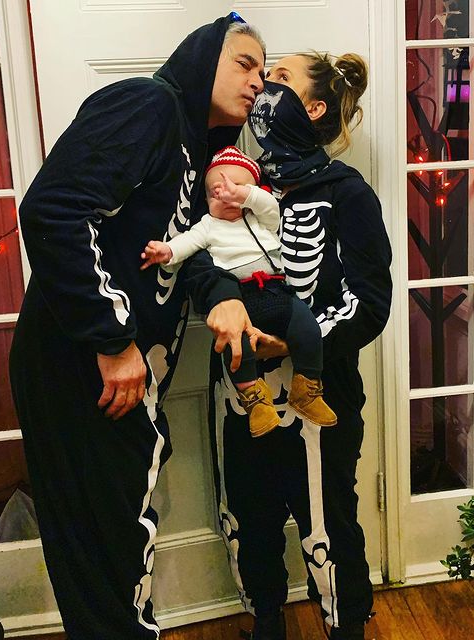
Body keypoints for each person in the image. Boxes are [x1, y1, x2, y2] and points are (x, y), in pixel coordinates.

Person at [8, 14, 266, 640]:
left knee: (120, 545)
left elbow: (184, 248)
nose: (258, 81)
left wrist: (224, 297)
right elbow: (54, 210)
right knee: (103, 550)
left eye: (264, 70)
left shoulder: (193, 149)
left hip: (117, 375)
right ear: (204, 58)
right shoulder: (148, 105)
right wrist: (112, 339)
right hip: (80, 366)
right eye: (245, 63)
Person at [186, 52, 393, 640]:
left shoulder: (347, 193)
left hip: (318, 391)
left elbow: (370, 302)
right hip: (240, 387)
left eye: (279, 78)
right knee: (247, 520)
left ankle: (346, 626)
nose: (262, 87)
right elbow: (201, 259)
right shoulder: (233, 181)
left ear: (313, 107)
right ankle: (266, 623)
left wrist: (296, 341)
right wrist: (223, 296)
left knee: (328, 522)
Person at [141, 146, 337, 437]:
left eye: (238, 190)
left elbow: (271, 206)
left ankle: (307, 387)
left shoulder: (263, 221)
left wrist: (246, 196)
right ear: (206, 199)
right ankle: (254, 401)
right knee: (237, 348)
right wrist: (166, 250)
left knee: (307, 328)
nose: (227, 197)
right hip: (241, 303)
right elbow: (187, 243)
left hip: (278, 292)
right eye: (218, 192)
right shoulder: (208, 225)